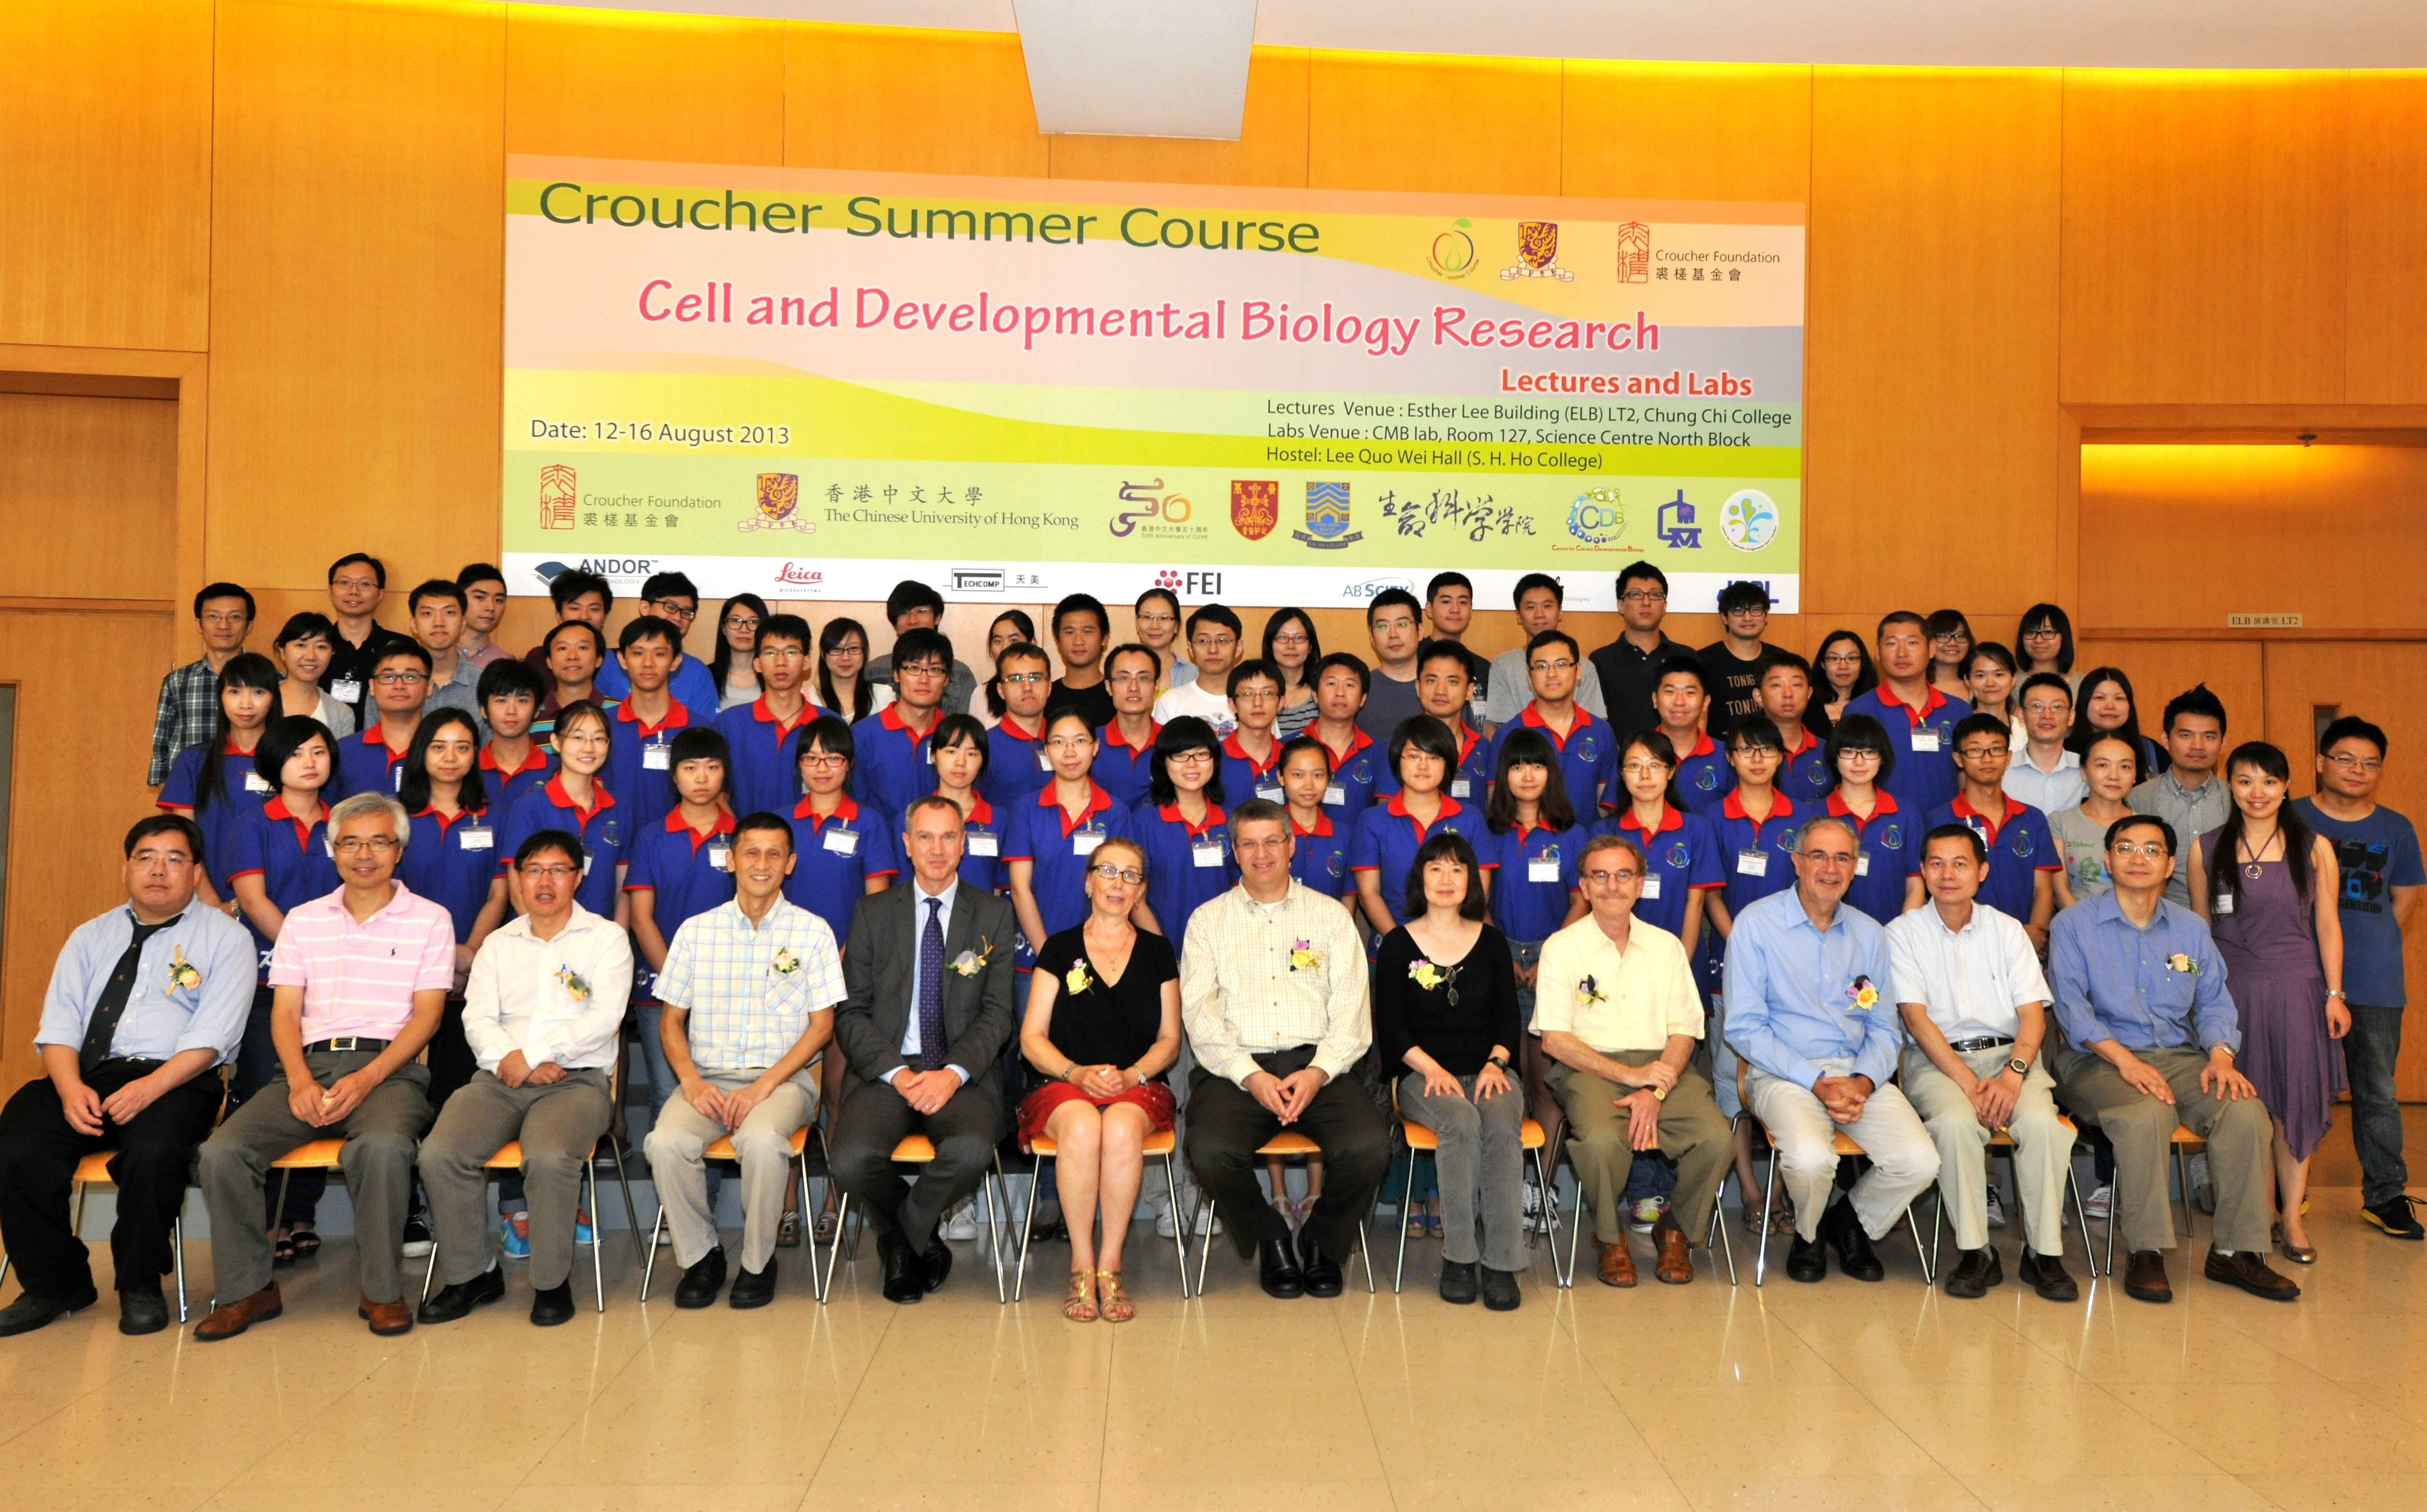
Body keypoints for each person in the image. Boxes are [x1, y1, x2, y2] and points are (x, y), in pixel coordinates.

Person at [194, 792, 452, 1339]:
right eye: (351, 842)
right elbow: (284, 1012)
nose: (365, 854)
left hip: (390, 1072)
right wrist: (300, 1079)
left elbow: (427, 1018)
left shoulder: (431, 920)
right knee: (223, 1152)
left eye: (379, 841)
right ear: (331, 850)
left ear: (399, 850)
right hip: (305, 1068)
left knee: (382, 1148)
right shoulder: (304, 922)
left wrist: (369, 1076)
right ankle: (248, 1290)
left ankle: (382, 1291)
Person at [0, 817, 253, 1337]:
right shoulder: (90, 936)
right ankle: (56, 1283)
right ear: (126, 868)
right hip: (89, 1073)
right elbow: (60, 1025)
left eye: (174, 859)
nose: (158, 870)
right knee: (17, 1146)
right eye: (146, 857)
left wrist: (150, 1087)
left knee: (155, 1151)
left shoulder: (226, 939)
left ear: (196, 872)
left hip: (179, 1078)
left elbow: (214, 1038)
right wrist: (70, 1089)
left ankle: (138, 1283)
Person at [2046, 813, 2299, 1303]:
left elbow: (2212, 1003)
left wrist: (2221, 1057)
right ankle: (2145, 1251)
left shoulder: (2189, 929)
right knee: (2144, 1114)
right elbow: (2072, 1013)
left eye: (2150, 850)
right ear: (2106, 860)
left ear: (2168, 867)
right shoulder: (2073, 924)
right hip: (2096, 1060)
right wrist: (2127, 1063)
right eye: (2124, 848)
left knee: (2245, 1114)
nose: (2137, 858)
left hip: (2180, 1057)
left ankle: (2235, 1253)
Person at [418, 829, 631, 1327]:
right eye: (533, 870)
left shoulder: (606, 939)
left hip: (576, 1080)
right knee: (441, 1153)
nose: (545, 881)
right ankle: (473, 1274)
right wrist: (511, 1060)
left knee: (551, 1156)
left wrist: (533, 1055)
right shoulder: (498, 943)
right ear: (517, 879)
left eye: (558, 870)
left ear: (578, 877)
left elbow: (603, 1018)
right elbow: (476, 1018)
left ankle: (551, 1282)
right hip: (499, 1077)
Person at [1180, 800, 1387, 1298]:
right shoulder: (1207, 921)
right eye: (1248, 843)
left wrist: (1318, 1072)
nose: (1262, 853)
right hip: (1236, 1069)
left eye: (1272, 840)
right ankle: (1271, 1237)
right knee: (1207, 1151)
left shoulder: (1331, 916)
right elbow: (1199, 1013)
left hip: (1319, 1064)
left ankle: (1322, 1242)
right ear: (1234, 852)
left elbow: (1352, 1013)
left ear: (1292, 845)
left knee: (1369, 1148)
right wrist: (1249, 1074)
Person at [1725, 816, 1939, 1284]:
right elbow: (1743, 1029)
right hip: (1782, 1074)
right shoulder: (1756, 925)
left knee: (1919, 1161)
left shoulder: (1869, 934)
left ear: (1854, 866)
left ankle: (1848, 1222)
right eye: (1817, 856)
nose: (1829, 867)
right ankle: (1807, 1233)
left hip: (1857, 1076)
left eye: (1841, 857)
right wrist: (1815, 1082)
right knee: (1808, 1158)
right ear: (1796, 863)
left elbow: (1884, 1029)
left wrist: (1861, 1081)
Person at [647, 812, 842, 1308]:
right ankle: (701, 1258)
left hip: (782, 1083)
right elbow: (669, 1021)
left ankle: (758, 1262)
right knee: (665, 1143)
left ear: (790, 863)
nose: (761, 864)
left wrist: (762, 1089)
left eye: (774, 854)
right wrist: (690, 1082)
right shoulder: (695, 932)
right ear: (730, 860)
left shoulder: (812, 932)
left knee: (760, 1140)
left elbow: (822, 1027)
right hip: (707, 1078)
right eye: (750, 852)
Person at [831, 797, 1018, 1302]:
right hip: (888, 1071)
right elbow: (850, 1012)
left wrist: (953, 1072)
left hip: (962, 1074)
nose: (937, 849)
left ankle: (900, 1241)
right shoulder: (872, 913)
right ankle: (922, 1240)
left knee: (972, 1150)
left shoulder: (994, 914)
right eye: (926, 837)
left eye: (948, 837)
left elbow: (998, 1014)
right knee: (849, 1160)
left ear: (963, 844)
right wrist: (897, 1073)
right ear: (907, 845)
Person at [1889, 825, 2078, 1301]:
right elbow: (1914, 1018)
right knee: (1953, 1126)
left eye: (1959, 864)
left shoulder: (2006, 929)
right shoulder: (1901, 933)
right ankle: (1976, 1252)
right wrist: (1969, 1082)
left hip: (2011, 1057)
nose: (1947, 874)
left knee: (2043, 1125)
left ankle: (2043, 1255)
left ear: (1981, 872)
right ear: (1922, 871)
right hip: (1938, 1063)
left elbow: (2033, 1015)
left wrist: (2012, 1077)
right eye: (1935, 863)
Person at [1533, 831, 1730, 1286]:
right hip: (1589, 1067)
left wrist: (1654, 1087)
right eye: (1598, 876)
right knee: (1601, 1141)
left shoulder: (1666, 948)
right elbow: (1555, 1041)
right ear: (1582, 887)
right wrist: (1631, 1076)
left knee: (1715, 1138)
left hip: (1663, 1067)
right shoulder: (1561, 948)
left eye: (1623, 875)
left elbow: (1686, 1030)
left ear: (1640, 884)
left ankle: (1676, 1231)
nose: (1611, 886)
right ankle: (1610, 1239)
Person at [2189, 743, 2347, 1263]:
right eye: (2243, 782)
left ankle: (2291, 1220)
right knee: (2245, 1111)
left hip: (2299, 991)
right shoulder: (2204, 848)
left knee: (2294, 1106)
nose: (2256, 793)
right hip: (2231, 997)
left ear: (2285, 786)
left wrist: (2333, 993)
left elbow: (2327, 924)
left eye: (2268, 782)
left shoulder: (2314, 847)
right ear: (2228, 785)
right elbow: (2199, 934)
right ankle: (2254, 1220)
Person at [1017, 837, 1182, 1322]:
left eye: (1130, 875)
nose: (1117, 883)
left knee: (1120, 1127)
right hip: (1063, 1081)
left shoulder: (1157, 951)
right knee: (1085, 1126)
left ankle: (1110, 1267)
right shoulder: (1058, 947)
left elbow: (1170, 1040)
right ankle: (1080, 1266)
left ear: (1140, 891)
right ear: (1088, 881)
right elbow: (1032, 1037)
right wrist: (1076, 1073)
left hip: (1139, 1082)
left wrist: (1132, 1074)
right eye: (1107, 872)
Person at [1376, 833, 1526, 1307]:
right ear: (1420, 878)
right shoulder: (1398, 944)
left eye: (1457, 869)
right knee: (1460, 1123)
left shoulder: (1492, 941)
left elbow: (1508, 1017)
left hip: (1489, 1070)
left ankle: (1502, 1263)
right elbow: (1392, 1027)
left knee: (1502, 1126)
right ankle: (1460, 1257)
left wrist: (1495, 1062)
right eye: (1435, 869)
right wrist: (1431, 1068)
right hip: (1422, 1074)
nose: (1446, 879)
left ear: (1472, 881)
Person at [2295, 717, 2426, 1239]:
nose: (2358, 770)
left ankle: (2385, 1195)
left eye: (2370, 763)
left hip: (2374, 981)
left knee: (2377, 1092)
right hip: (2298, 977)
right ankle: (2290, 1186)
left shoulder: (2395, 827)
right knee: (2296, 1087)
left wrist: (2363, 943)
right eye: (2346, 759)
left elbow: (2404, 900)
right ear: (2320, 763)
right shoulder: (2290, 816)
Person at [225, 717, 343, 1108]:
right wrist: (306, 957)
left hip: (338, 980)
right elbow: (254, 901)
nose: (309, 762)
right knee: (267, 1095)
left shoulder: (345, 823)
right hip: (267, 979)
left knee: (324, 1098)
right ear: (275, 762)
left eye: (318, 752)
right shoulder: (252, 824)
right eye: (295, 754)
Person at [396, 709, 502, 1124]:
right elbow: (393, 898)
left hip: (475, 972)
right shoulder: (397, 817)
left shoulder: (495, 815)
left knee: (456, 1097)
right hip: (407, 969)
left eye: (463, 747)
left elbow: (499, 894)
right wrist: (444, 957)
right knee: (406, 1100)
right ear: (422, 752)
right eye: (439, 747)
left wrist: (470, 954)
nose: (450, 757)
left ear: (476, 755)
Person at [626, 726, 740, 1073]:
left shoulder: (742, 836)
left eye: (712, 767)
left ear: (725, 774)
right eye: (690, 768)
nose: (702, 778)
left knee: (726, 1089)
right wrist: (678, 980)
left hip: (729, 988)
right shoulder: (651, 837)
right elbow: (640, 918)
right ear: (674, 776)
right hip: (662, 986)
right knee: (665, 1091)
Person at [1008, 707, 1136, 963]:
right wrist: (1049, 958)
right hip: (1034, 955)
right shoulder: (1026, 808)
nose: (1069, 752)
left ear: (1095, 746)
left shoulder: (1115, 811)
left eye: (1080, 741)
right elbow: (1019, 888)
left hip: (1101, 957)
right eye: (1058, 743)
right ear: (1045, 749)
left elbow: (1122, 889)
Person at [157, 651, 281, 911]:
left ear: (274, 698)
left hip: (276, 903)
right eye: (235, 692)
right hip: (204, 905)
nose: (246, 704)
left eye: (258, 692)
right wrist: (216, 906)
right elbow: (183, 843)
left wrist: (245, 903)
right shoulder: (193, 761)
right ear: (221, 698)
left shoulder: (291, 762)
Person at [1928, 712, 2058, 951]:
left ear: (2008, 758)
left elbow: (2043, 889)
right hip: (1965, 944)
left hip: (2027, 946)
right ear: (1959, 758)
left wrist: (2033, 936)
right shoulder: (1940, 820)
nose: (1987, 759)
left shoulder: (2032, 818)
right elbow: (1944, 889)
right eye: (1976, 751)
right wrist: (2006, 937)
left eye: (1996, 750)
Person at [493, 700, 628, 928]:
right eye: (578, 738)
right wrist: (550, 943)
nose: (589, 748)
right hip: (539, 942)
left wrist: (618, 940)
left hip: (601, 946)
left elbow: (622, 889)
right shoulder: (528, 808)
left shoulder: (620, 807)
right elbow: (517, 887)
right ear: (556, 742)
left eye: (598, 738)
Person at [1352, 718, 1487, 943]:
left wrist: (1452, 943)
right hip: (1392, 944)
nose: (1423, 766)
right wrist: (1402, 944)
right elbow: (1369, 894)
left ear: (1448, 763)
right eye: (1414, 756)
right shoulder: (1372, 821)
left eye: (1433, 757)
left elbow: (1479, 892)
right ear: (1398, 760)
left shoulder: (1471, 819)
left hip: (1457, 947)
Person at [779, 718, 902, 959]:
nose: (822, 769)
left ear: (849, 764)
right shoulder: (780, 823)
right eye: (812, 759)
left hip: (851, 957)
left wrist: (847, 956)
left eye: (833, 759)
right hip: (784, 955)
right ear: (800, 764)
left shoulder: (870, 822)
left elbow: (876, 905)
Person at [1131, 717, 1236, 956]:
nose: (1191, 764)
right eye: (1180, 755)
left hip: (1224, 953)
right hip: (1163, 954)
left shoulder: (1232, 822)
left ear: (1215, 761)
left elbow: (1241, 892)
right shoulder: (1143, 823)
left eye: (1201, 754)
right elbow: (1136, 899)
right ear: (1164, 763)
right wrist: (1164, 955)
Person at [1842, 612, 1962, 819]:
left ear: (1931, 649)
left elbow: (1967, 777)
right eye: (1892, 644)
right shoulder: (1858, 712)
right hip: (1883, 831)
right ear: (1878, 652)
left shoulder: (1958, 710)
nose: (1902, 653)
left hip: (1948, 832)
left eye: (1912, 642)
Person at [1491, 630, 1617, 821]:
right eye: (1541, 666)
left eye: (1561, 664)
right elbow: (1498, 806)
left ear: (1578, 671)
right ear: (1529, 676)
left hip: (1588, 846)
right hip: (1529, 848)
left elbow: (1606, 806)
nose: (1551, 674)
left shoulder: (1601, 731)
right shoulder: (1507, 735)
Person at [2132, 685, 2233, 909]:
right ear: (2166, 740)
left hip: (2228, 924)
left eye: (2209, 736)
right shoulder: (2138, 798)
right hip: (2160, 921)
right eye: (2186, 735)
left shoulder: (2236, 796)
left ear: (2223, 743)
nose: (2197, 746)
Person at [714, 612, 823, 819]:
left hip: (809, 846)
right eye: (771, 653)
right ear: (757, 664)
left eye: (791, 652)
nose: (781, 662)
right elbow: (717, 797)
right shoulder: (729, 725)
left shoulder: (827, 725)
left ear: (807, 662)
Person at [150, 582, 257, 787]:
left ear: (249, 625)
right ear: (199, 625)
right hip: (189, 786)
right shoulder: (177, 680)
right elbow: (161, 742)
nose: (223, 625)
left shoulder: (270, 680)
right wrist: (169, 789)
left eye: (235, 617)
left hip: (248, 787)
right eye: (213, 617)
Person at [601, 616, 697, 836]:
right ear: (622, 660)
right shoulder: (601, 725)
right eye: (637, 653)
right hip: (615, 848)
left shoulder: (700, 728)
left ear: (676, 661)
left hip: (677, 849)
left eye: (660, 654)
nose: (648, 662)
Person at [1823, 714, 1920, 926]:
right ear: (1835, 757)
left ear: (1882, 757)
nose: (1859, 762)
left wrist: (1900, 936)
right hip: (1828, 937)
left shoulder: (1905, 814)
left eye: (1869, 752)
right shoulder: (1815, 815)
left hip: (1892, 936)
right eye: (1849, 752)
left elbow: (1915, 884)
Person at [851, 626, 951, 819]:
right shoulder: (862, 736)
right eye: (913, 668)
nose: (924, 679)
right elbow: (857, 807)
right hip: (882, 846)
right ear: (896, 674)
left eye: (935, 670)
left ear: (947, 679)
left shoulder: (955, 737)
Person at [1485, 574, 1604, 727]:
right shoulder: (1503, 665)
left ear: (1560, 611)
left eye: (1547, 606)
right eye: (1530, 607)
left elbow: (1593, 727)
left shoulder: (1584, 667)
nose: (1539, 614)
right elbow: (1494, 728)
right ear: (1518, 615)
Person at [595, 571, 719, 713]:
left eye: (686, 612)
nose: (678, 617)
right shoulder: (604, 663)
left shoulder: (697, 671)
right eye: (670, 607)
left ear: (675, 662)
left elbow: (705, 730)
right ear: (645, 608)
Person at [1386, 643, 1494, 803]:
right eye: (1431, 681)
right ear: (1418, 687)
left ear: (1469, 691)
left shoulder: (1484, 747)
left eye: (1452, 682)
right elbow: (1388, 812)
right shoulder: (1398, 744)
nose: (1441, 691)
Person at [1587, 562, 1683, 737]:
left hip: (1676, 759)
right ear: (1621, 605)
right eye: (1636, 595)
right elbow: (1596, 723)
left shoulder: (1685, 657)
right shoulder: (1601, 660)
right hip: (1620, 761)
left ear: (1665, 606)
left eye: (1654, 595)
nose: (1646, 602)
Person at [323, 552, 413, 733]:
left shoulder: (401, 647)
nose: (354, 591)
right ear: (330, 591)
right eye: (344, 583)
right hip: (320, 751)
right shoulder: (316, 645)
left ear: (380, 595)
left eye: (365, 584)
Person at [2051, 734, 2140, 909]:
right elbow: (2059, 889)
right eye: (2102, 765)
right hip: (2076, 928)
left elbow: (2153, 893)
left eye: (2125, 766)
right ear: (2084, 772)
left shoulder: (2146, 829)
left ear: (2135, 774)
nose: (2114, 776)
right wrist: (2088, 930)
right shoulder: (2060, 823)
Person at [339, 641, 434, 798]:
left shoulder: (445, 753)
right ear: (373, 687)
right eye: (388, 677)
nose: (399, 685)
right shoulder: (343, 752)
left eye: (411, 677)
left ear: (429, 687)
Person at [929, 715, 1006, 893]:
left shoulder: (1000, 821)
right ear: (934, 756)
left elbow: (999, 888)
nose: (961, 762)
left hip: (984, 918)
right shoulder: (912, 818)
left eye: (971, 754)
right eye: (951, 752)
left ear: (982, 762)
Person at [1308, 651, 1383, 825]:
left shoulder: (1378, 752)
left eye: (1349, 685)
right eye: (1332, 683)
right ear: (1315, 695)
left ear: (1363, 699)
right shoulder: (1289, 747)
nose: (1340, 693)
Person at [1653, 655, 1731, 817]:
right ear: (1655, 699)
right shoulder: (1637, 755)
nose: (1679, 701)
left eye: (1690, 692)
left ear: (1706, 702)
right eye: (1670, 691)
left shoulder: (1728, 756)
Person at [982, 641, 1054, 812]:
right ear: (1001, 690)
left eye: (1035, 678)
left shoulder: (1066, 742)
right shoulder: (983, 746)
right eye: (1015, 679)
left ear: (1049, 687)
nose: (1027, 687)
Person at [476, 658, 554, 814]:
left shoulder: (557, 771)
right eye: (501, 700)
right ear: (484, 710)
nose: (511, 710)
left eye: (522, 700)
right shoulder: (465, 769)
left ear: (537, 710)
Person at [1700, 580, 1774, 743]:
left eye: (1755, 610)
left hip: (1770, 753)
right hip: (1718, 754)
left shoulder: (1779, 660)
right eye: (1739, 610)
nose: (1747, 618)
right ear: (1724, 617)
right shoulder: (1703, 661)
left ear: (1766, 615)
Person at [1278, 735, 1350, 901]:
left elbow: (1348, 898)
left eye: (1318, 775)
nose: (1309, 785)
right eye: (1298, 775)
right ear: (1281, 777)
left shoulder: (1344, 836)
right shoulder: (1268, 833)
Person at [1153, 605, 1245, 735]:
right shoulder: (1172, 702)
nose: (1213, 650)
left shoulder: (1256, 701)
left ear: (1239, 647)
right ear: (1190, 648)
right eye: (1203, 641)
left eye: (1223, 640)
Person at [1093, 643, 1164, 810]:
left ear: (1157, 686)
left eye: (1143, 678)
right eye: (1124, 678)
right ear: (1109, 687)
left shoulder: (1173, 743)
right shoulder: (1089, 743)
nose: (1134, 688)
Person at [1759, 652, 1834, 807]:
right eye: (1777, 685)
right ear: (1758, 696)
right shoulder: (1745, 753)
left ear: (1809, 694)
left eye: (1796, 685)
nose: (1788, 694)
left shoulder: (1829, 752)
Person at [2004, 672, 2085, 814]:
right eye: (2037, 706)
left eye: (2057, 707)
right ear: (2022, 716)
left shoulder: (2086, 770)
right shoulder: (2002, 771)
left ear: (2071, 717)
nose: (2047, 715)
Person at [521, 568, 611, 691]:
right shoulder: (539, 659)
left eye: (594, 609)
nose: (584, 617)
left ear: (605, 616)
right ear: (559, 616)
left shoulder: (615, 661)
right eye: (575, 609)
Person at [1355, 589, 1426, 741]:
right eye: (1382, 627)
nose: (1393, 634)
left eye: (1402, 624)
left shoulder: (1443, 687)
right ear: (1372, 638)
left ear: (1420, 631)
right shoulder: (1357, 689)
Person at [270, 611, 356, 737]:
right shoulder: (261, 701)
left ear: (332, 653)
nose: (311, 656)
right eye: (301, 645)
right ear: (283, 652)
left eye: (321, 647)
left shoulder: (342, 714)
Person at [408, 579, 482, 722]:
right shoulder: (390, 685)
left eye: (449, 612)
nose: (439, 623)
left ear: (463, 624)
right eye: (428, 614)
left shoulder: (484, 684)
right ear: (414, 625)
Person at [2066, 666, 2162, 776]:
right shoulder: (2064, 751)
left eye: (2119, 698)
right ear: (2084, 704)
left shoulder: (2150, 751)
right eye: (2100, 698)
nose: (2110, 706)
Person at [1218, 659, 1287, 807]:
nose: (1258, 703)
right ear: (1232, 705)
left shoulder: (1291, 758)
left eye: (1268, 693)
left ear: (1281, 703)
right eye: (1247, 694)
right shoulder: (1214, 759)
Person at [1420, 571, 1493, 707]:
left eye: (1463, 602)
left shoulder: (1483, 668)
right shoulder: (1414, 657)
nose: (1455, 609)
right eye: (1447, 602)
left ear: (1471, 609)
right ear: (1430, 609)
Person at [1049, 594, 1116, 730]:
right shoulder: (1045, 696)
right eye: (1069, 632)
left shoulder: (1118, 695)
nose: (1078, 641)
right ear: (1057, 641)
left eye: (1087, 631)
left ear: (1104, 638)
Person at [817, 616, 894, 724]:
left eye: (854, 649)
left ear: (864, 653)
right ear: (823, 655)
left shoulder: (882, 695)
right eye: (837, 649)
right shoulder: (808, 698)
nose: (846, 657)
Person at [1262, 607, 1323, 740]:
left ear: (1310, 647)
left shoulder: (1323, 693)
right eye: (1283, 638)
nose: (1291, 646)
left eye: (1299, 638)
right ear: (1270, 645)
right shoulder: (1258, 693)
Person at [536, 620, 606, 733]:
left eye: (582, 648)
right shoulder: (532, 714)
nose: (572, 656)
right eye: (563, 648)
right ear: (549, 662)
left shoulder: (619, 712)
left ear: (599, 660)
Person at [707, 592, 770, 711]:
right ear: (724, 628)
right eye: (736, 621)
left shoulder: (773, 677)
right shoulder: (706, 676)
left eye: (753, 622)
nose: (744, 629)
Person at [1811, 629, 1877, 738]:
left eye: (1851, 658)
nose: (1843, 666)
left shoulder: (1875, 705)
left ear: (1862, 663)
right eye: (1834, 658)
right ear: (1823, 664)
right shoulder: (1806, 707)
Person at [981, 610, 1038, 724]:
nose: (1004, 649)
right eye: (998, 641)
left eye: (1013, 640)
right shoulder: (981, 695)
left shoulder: (1041, 687)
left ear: (1032, 643)